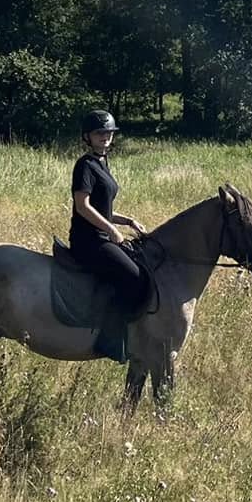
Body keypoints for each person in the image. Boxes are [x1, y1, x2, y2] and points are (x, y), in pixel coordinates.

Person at [70, 110, 148, 358]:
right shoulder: (84, 165)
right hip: (88, 241)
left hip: (102, 236)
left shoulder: (102, 162)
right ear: (87, 137)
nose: (105, 137)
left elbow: (104, 209)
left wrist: (127, 221)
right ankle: (111, 338)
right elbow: (82, 205)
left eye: (108, 133)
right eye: (99, 133)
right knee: (134, 277)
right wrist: (112, 230)